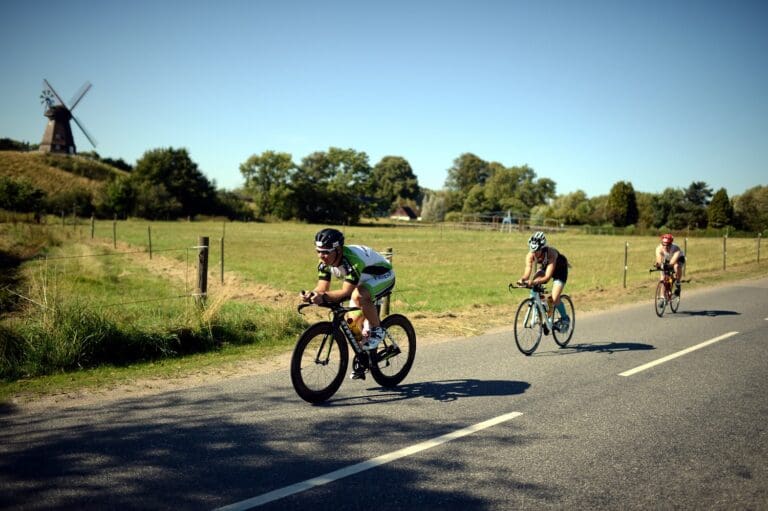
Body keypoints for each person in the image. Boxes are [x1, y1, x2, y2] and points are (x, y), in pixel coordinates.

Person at [300, 228, 395, 379]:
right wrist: (313, 294)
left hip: (383, 276)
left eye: (325, 252)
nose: (321, 256)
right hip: (362, 280)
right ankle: (364, 357)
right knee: (352, 322)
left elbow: (345, 293)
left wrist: (323, 297)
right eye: (318, 251)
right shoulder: (324, 261)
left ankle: (378, 330)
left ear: (338, 250)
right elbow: (322, 288)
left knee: (359, 296)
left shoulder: (351, 261)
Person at [516, 231, 571, 332]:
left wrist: (533, 282)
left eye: (537, 251)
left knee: (554, 297)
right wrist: (523, 279)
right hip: (546, 268)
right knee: (534, 281)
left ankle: (565, 319)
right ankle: (540, 305)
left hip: (559, 271)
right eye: (532, 250)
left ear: (543, 248)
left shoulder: (551, 253)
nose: (534, 253)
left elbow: (547, 277)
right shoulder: (530, 255)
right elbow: (528, 272)